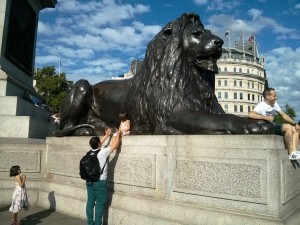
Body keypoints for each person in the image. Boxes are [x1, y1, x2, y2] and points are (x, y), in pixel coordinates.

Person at [248, 87, 300, 160]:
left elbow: (284, 115)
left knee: (295, 128)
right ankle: (291, 152)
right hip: (266, 126)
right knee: (288, 127)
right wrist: (265, 117)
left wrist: (295, 123)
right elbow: (250, 114)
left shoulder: (274, 104)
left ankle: (294, 151)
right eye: (274, 96)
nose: (276, 97)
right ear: (267, 96)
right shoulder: (261, 105)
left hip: (273, 125)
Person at [86, 128, 121, 225]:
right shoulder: (103, 153)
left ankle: (90, 223)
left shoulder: (90, 153)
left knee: (90, 203)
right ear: (98, 144)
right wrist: (118, 135)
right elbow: (115, 145)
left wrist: (107, 135)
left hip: (89, 181)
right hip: (99, 182)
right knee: (100, 204)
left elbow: (98, 143)